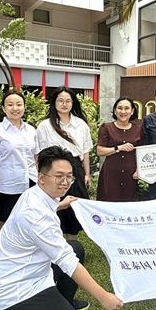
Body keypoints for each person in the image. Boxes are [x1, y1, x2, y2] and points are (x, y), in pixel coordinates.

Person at [0, 146, 123, 310]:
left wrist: (61, 204)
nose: (65, 182)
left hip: (35, 272)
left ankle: (64, 302)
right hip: (14, 290)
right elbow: (66, 261)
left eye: (69, 176)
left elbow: (46, 213)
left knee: (75, 247)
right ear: (41, 178)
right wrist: (103, 296)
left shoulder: (36, 194)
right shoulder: (36, 215)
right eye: (58, 176)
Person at [36, 86, 92, 240]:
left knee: (73, 205)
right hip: (53, 169)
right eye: (60, 100)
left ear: (73, 103)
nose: (64, 104)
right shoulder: (45, 126)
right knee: (55, 203)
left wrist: (87, 174)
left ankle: (72, 243)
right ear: (54, 103)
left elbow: (85, 151)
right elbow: (40, 154)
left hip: (74, 169)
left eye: (68, 101)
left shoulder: (81, 125)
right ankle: (54, 241)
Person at [0, 89, 39, 238]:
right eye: (10, 105)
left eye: (19, 104)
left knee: (28, 220)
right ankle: (2, 257)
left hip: (30, 182)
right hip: (7, 185)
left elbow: (35, 159)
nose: (15, 108)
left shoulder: (31, 130)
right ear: (3, 108)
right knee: (5, 221)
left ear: (24, 107)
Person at [96, 97, 143, 202]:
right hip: (111, 173)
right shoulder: (106, 128)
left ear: (132, 111)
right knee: (109, 202)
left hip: (130, 174)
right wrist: (118, 148)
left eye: (126, 108)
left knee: (128, 204)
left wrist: (138, 170)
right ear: (115, 110)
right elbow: (99, 151)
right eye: (120, 108)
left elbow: (141, 152)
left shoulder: (138, 129)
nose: (123, 111)